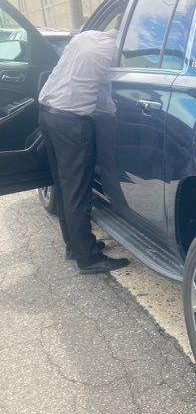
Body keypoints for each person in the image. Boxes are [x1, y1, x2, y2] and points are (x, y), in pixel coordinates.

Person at [38, 23, 129, 274]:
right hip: (71, 122)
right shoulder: (114, 52)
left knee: (64, 186)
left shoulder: (85, 37)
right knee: (77, 192)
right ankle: (88, 259)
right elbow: (104, 98)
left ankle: (74, 246)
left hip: (47, 113)